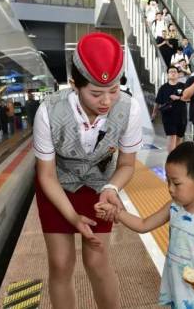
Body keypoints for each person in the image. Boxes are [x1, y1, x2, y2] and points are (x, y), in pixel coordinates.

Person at [32, 32, 143, 309]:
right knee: (60, 263)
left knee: (97, 260)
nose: (107, 101)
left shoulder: (129, 109)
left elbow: (127, 164)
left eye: (114, 90)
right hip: (57, 185)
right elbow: (45, 174)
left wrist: (111, 188)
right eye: (95, 93)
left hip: (99, 188)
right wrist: (72, 217)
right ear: (74, 85)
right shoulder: (48, 112)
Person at [95, 142, 194, 308]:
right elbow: (143, 225)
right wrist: (117, 212)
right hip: (176, 289)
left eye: (176, 183)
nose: (170, 189)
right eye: (168, 182)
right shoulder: (173, 207)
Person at [152, 66, 188, 152]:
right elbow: (157, 101)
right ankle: (171, 158)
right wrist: (154, 113)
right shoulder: (163, 88)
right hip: (168, 116)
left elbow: (189, 98)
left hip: (181, 116)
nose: (173, 73)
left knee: (179, 137)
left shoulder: (183, 86)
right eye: (171, 72)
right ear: (167, 75)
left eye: (175, 71)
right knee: (171, 136)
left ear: (178, 74)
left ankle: (176, 157)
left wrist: (178, 98)